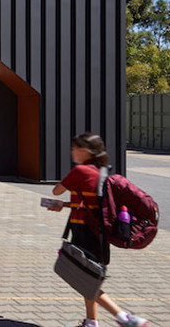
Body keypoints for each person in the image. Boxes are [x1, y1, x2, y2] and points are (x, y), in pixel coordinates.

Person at [46, 132, 148, 327]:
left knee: (83, 277)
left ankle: (125, 318)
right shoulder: (100, 171)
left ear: (84, 151)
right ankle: (91, 322)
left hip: (83, 230)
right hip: (98, 232)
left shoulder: (81, 171)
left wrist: (64, 189)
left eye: (74, 148)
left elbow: (56, 189)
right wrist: (65, 205)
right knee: (88, 274)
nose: (72, 152)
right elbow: (92, 204)